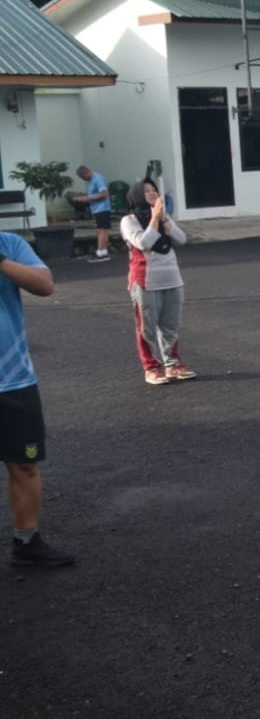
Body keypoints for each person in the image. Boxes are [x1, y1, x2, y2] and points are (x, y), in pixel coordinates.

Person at [2, 232, 73, 567]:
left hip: (13, 381)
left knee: (25, 465)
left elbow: (45, 286)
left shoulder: (10, 244)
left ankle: (26, 542)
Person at [122, 178, 193, 385]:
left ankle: (172, 364)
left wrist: (164, 220)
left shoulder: (163, 217)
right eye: (147, 190)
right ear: (137, 195)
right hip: (146, 281)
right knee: (147, 327)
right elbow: (143, 242)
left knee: (170, 326)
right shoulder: (129, 221)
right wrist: (154, 219)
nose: (152, 193)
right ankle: (151, 367)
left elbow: (181, 239)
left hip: (172, 278)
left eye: (154, 189)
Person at [70, 164, 112, 262]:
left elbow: (104, 194)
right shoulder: (90, 181)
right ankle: (103, 252)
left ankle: (100, 253)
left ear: (86, 173)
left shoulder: (98, 179)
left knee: (102, 230)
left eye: (83, 177)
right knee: (101, 230)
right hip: (96, 209)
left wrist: (88, 198)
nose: (83, 179)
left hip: (102, 208)